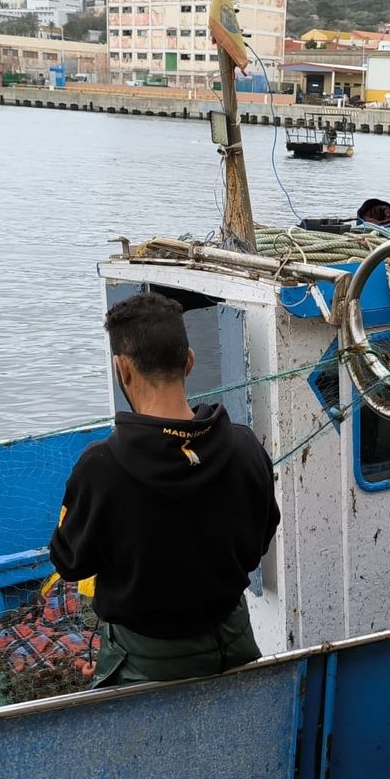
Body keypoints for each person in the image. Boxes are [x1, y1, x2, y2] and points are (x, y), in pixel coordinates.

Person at [50, 292, 280, 687]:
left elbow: (71, 563)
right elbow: (258, 545)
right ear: (189, 361)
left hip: (145, 662)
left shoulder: (101, 467)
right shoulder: (245, 447)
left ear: (122, 369)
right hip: (234, 643)